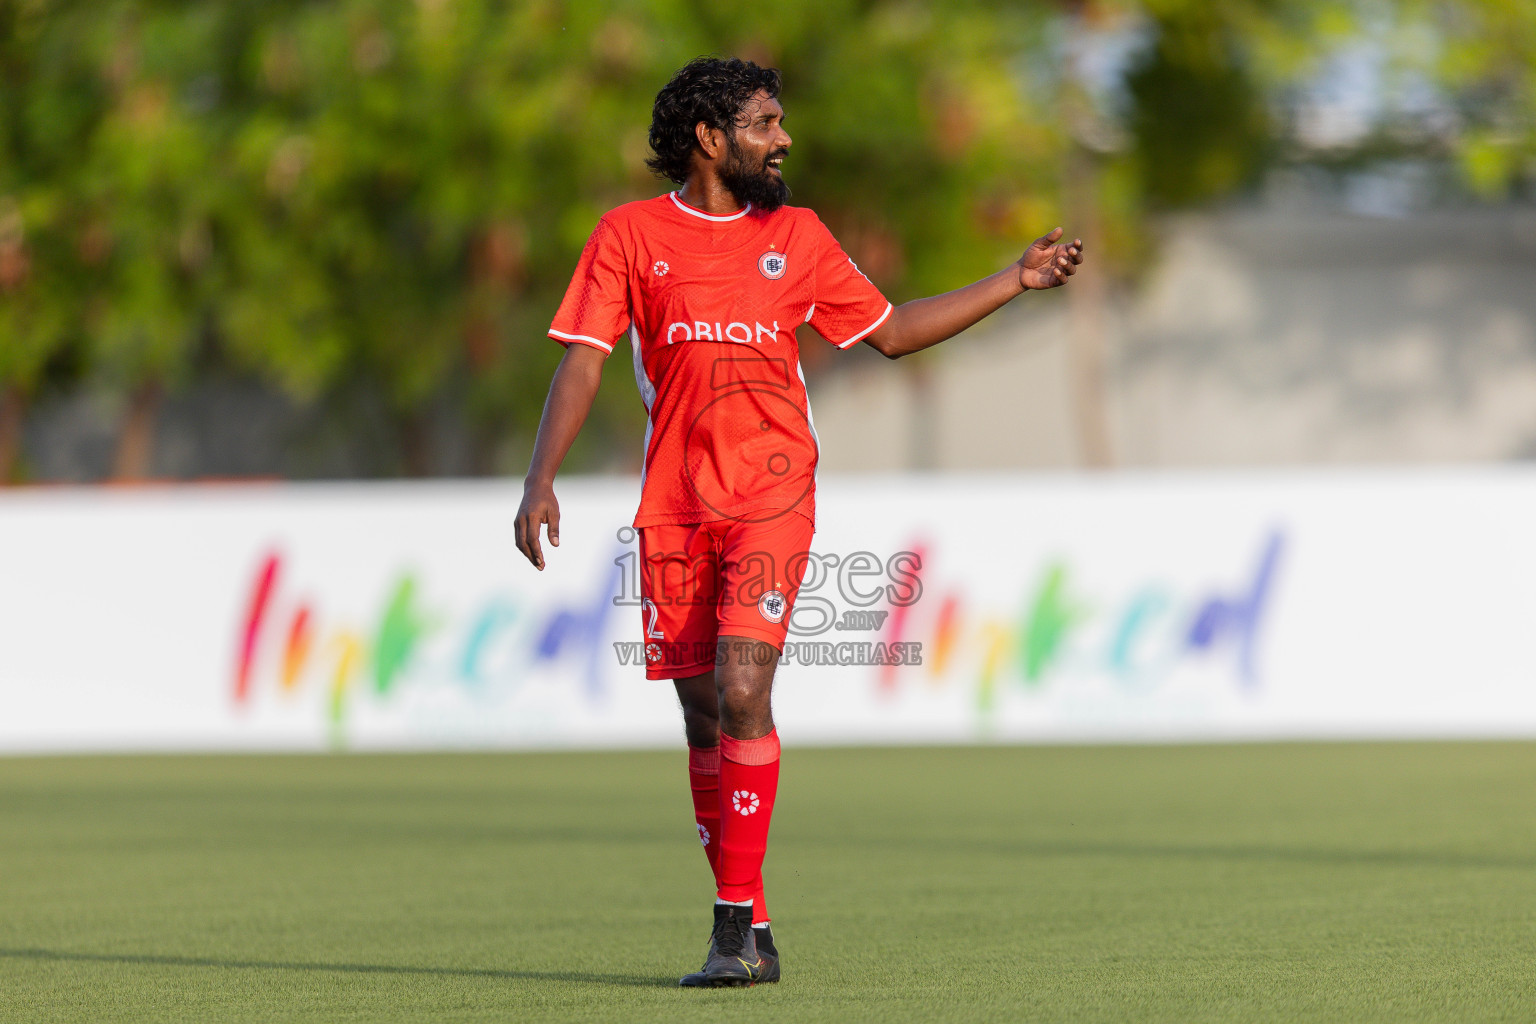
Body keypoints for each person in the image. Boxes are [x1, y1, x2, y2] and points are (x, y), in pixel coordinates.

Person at [514, 55, 1084, 988]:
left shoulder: (801, 238)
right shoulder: (627, 236)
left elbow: (893, 332)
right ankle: (758, 922)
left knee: (744, 688)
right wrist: (540, 479)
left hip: (772, 500)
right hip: (674, 508)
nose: (784, 139)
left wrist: (1011, 280)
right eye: (766, 123)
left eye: (781, 123)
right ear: (709, 138)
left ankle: (731, 930)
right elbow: (580, 360)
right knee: (704, 714)